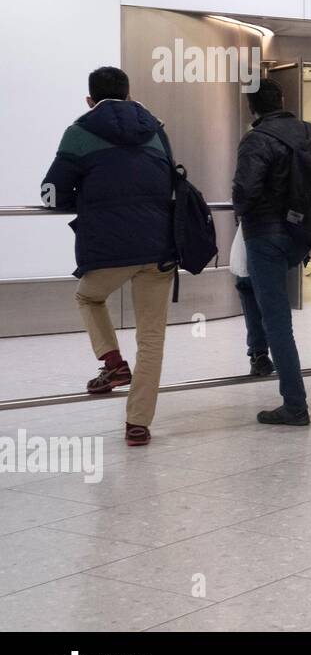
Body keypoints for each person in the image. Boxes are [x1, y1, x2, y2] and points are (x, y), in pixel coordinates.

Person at [42, 66, 176, 447]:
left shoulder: (79, 131)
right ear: (130, 95)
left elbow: (52, 191)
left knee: (88, 295)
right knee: (152, 337)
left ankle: (113, 363)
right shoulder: (155, 128)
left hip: (109, 247)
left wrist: (81, 199)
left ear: (90, 99)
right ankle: (138, 424)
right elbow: (168, 179)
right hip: (158, 245)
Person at [233, 78, 311, 427]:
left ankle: (295, 404)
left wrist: (243, 211)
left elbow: (244, 191)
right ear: (283, 99)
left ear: (252, 107)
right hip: (303, 235)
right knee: (276, 314)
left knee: (277, 321)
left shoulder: (256, 140)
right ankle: (304, 394)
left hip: (266, 236)